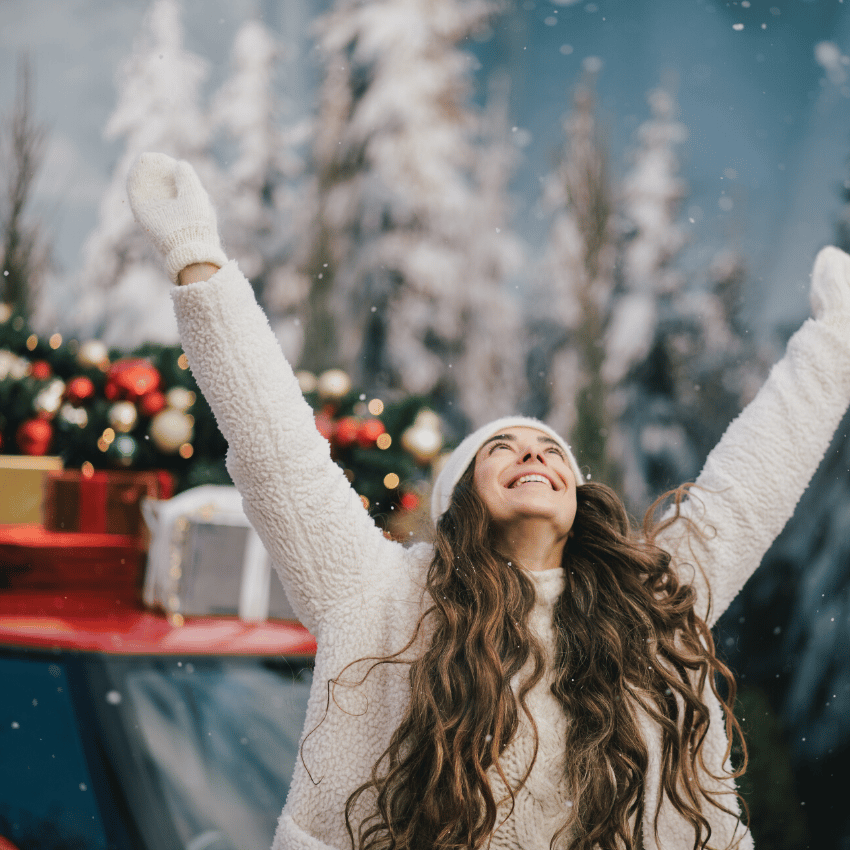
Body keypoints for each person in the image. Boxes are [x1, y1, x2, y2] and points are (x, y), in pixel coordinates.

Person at [127, 152, 850, 850]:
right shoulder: (379, 597)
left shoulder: (654, 602)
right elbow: (277, 450)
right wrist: (198, 260)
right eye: (501, 448)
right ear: (457, 501)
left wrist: (836, 344)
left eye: (551, 452)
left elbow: (754, 481)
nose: (534, 453)